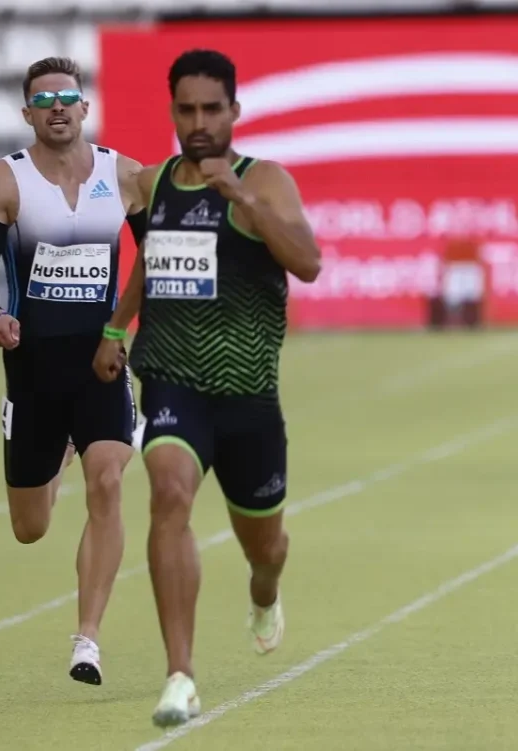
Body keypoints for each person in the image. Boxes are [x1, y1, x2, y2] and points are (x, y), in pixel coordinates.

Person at [93, 48, 322, 726]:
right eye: (186, 110)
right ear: (173, 111)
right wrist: (114, 329)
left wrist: (242, 199)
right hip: (172, 377)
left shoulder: (266, 180)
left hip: (247, 393)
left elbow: (308, 262)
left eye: (211, 109)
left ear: (234, 112)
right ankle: (181, 676)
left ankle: (265, 589)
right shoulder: (158, 181)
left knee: (266, 546)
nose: (198, 122)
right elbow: (151, 262)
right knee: (167, 492)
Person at [0, 56, 147, 686]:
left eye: (68, 96)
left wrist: (134, 334)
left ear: (84, 108)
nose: (59, 107)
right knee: (29, 527)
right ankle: (58, 449)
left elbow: (158, 260)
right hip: (33, 371)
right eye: (45, 100)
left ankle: (87, 639)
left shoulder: (124, 176)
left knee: (110, 483)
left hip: (101, 364)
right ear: (28, 114)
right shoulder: (3, 181)